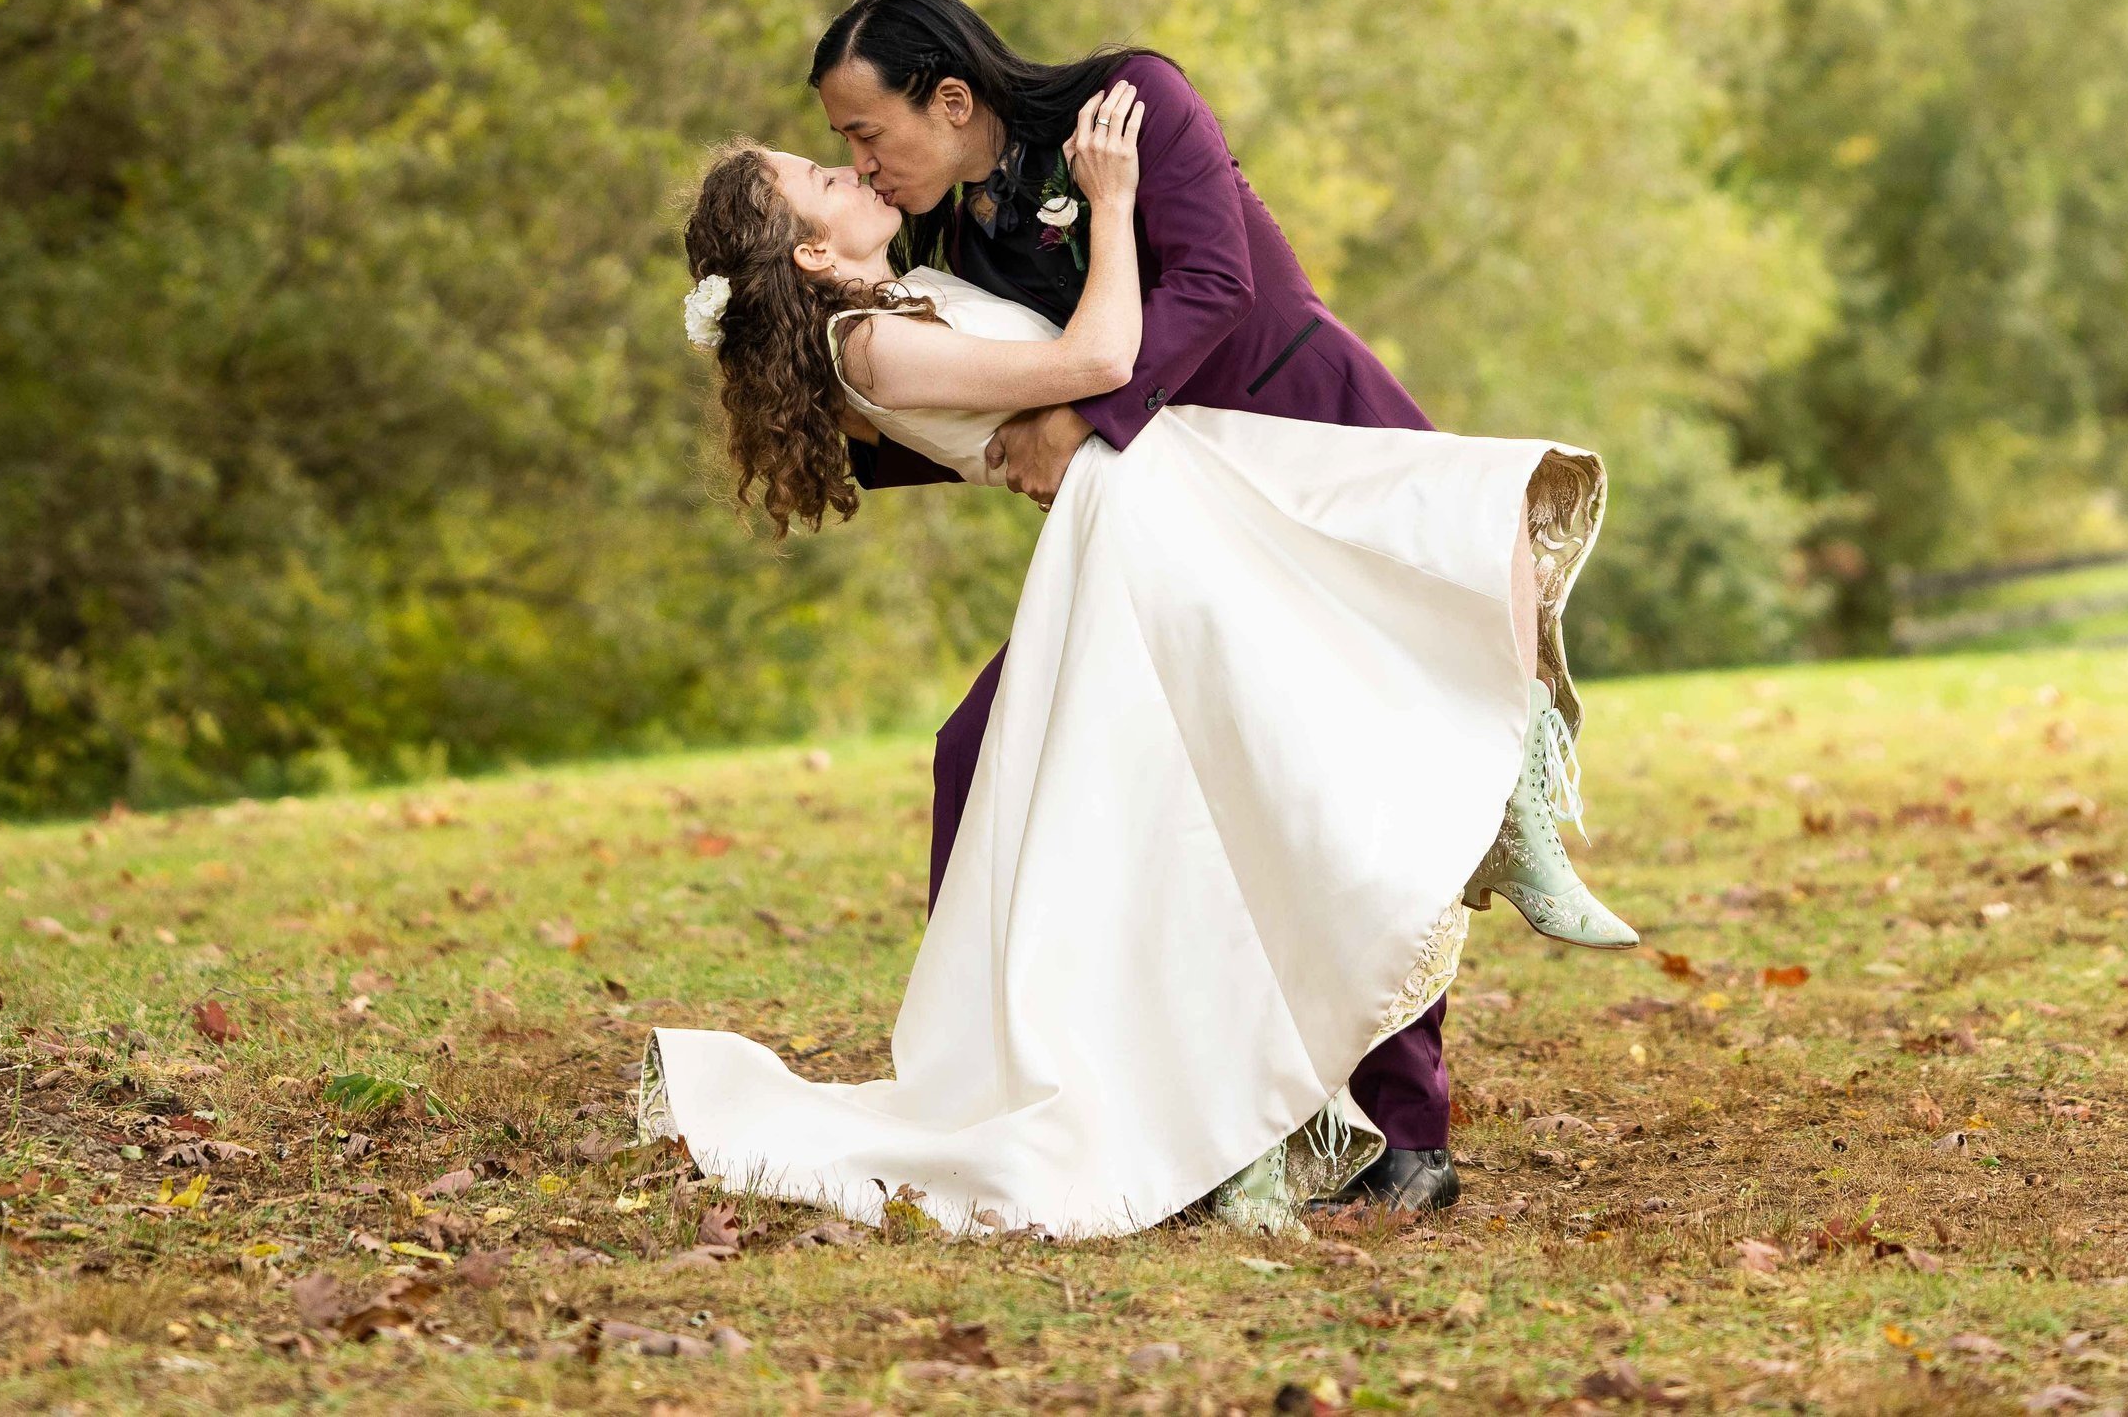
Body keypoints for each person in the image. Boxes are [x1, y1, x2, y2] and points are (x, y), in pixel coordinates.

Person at [639, 83, 1631, 1243]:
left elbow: (1133, 327)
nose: (848, 163)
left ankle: (1500, 809)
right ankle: (1233, 1104)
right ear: (811, 248)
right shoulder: (871, 339)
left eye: (856, 137)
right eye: (823, 167)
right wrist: (1110, 203)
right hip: (1143, 536)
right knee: (1215, 822)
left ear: (947, 99)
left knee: (1454, 534)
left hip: (1187, 484)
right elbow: (1099, 352)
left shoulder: (910, 283)